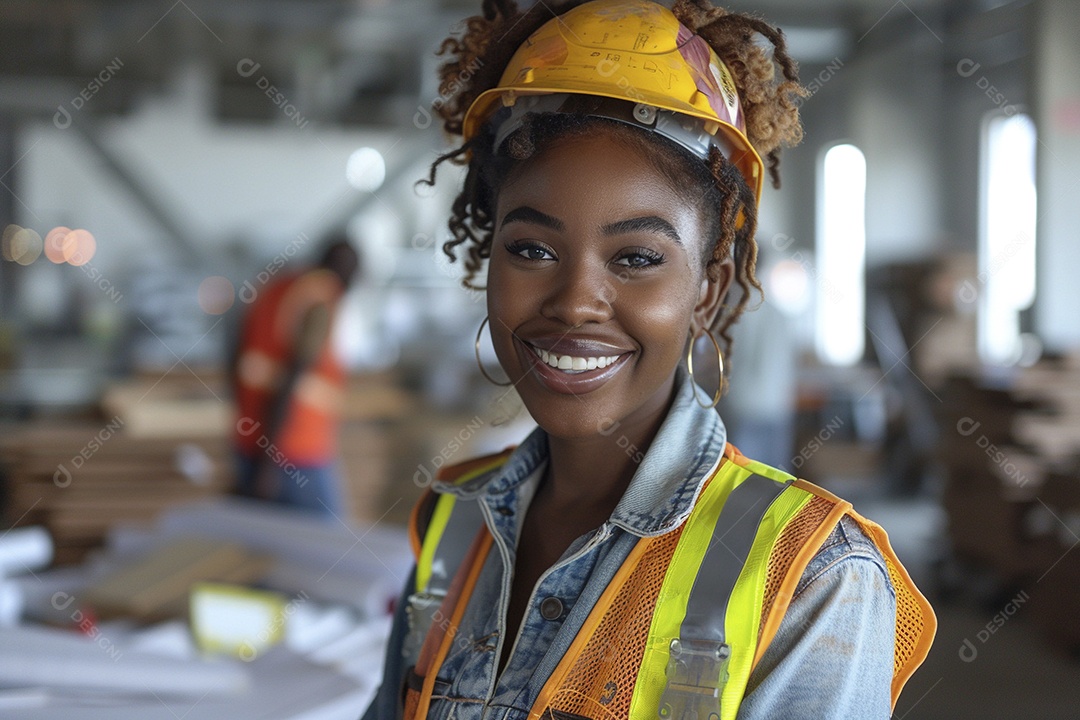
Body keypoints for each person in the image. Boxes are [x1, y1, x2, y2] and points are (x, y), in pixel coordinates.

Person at [365, 1, 936, 717]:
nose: (576, 303)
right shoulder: (454, 520)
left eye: (636, 257)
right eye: (532, 249)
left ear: (708, 291)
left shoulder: (810, 574)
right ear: (489, 265)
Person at [230, 235, 359, 516]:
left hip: (254, 443)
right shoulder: (319, 298)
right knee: (329, 550)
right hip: (296, 452)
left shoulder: (274, 288)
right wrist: (269, 463)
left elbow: (236, 358)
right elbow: (292, 379)